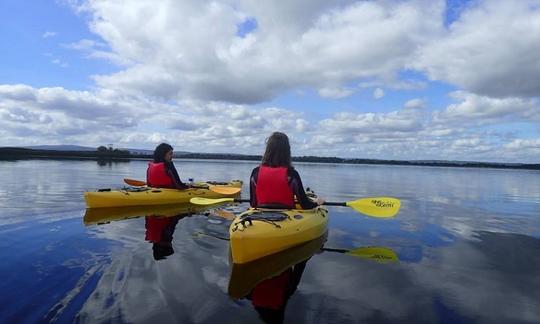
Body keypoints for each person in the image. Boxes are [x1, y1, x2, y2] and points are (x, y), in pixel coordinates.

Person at [250, 132, 324, 209]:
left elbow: (253, 203)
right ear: (287, 151)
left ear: (267, 150)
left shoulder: (256, 172)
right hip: (287, 215)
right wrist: (317, 203)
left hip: (261, 215)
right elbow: (305, 205)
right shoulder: (292, 174)